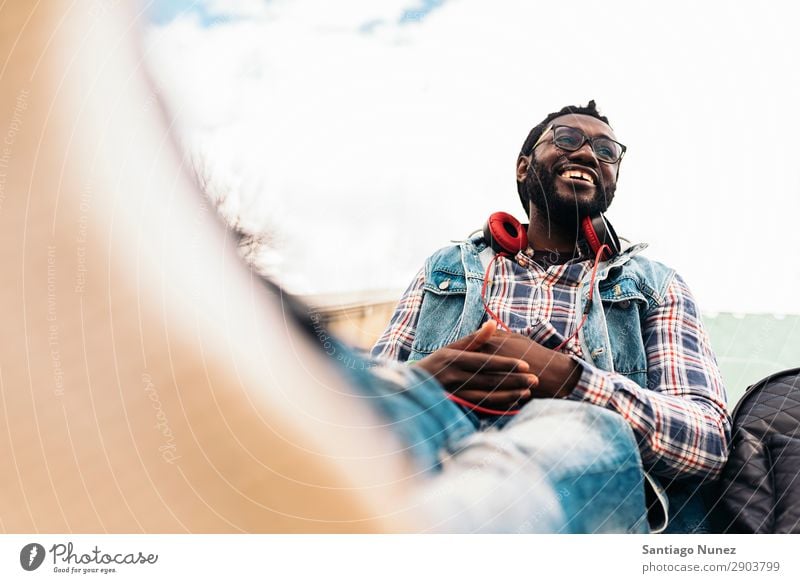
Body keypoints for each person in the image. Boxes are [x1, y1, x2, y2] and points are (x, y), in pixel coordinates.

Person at [370, 100, 731, 533]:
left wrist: (568, 379)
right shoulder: (442, 270)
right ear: (524, 167)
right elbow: (355, 406)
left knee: (573, 426)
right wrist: (425, 377)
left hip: (580, 471)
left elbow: (708, 441)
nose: (585, 154)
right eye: (566, 139)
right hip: (436, 442)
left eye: (606, 150)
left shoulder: (656, 286)